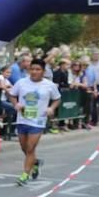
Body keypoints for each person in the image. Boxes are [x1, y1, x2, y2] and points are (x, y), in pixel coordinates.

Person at [9, 58, 60, 186]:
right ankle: (35, 162)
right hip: (22, 119)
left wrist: (51, 108)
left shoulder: (49, 85)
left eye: (37, 69)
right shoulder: (21, 82)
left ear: (43, 71)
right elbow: (12, 95)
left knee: (31, 148)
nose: (34, 72)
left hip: (38, 120)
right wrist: (16, 104)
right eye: (32, 69)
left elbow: (57, 99)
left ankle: (25, 175)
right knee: (24, 148)